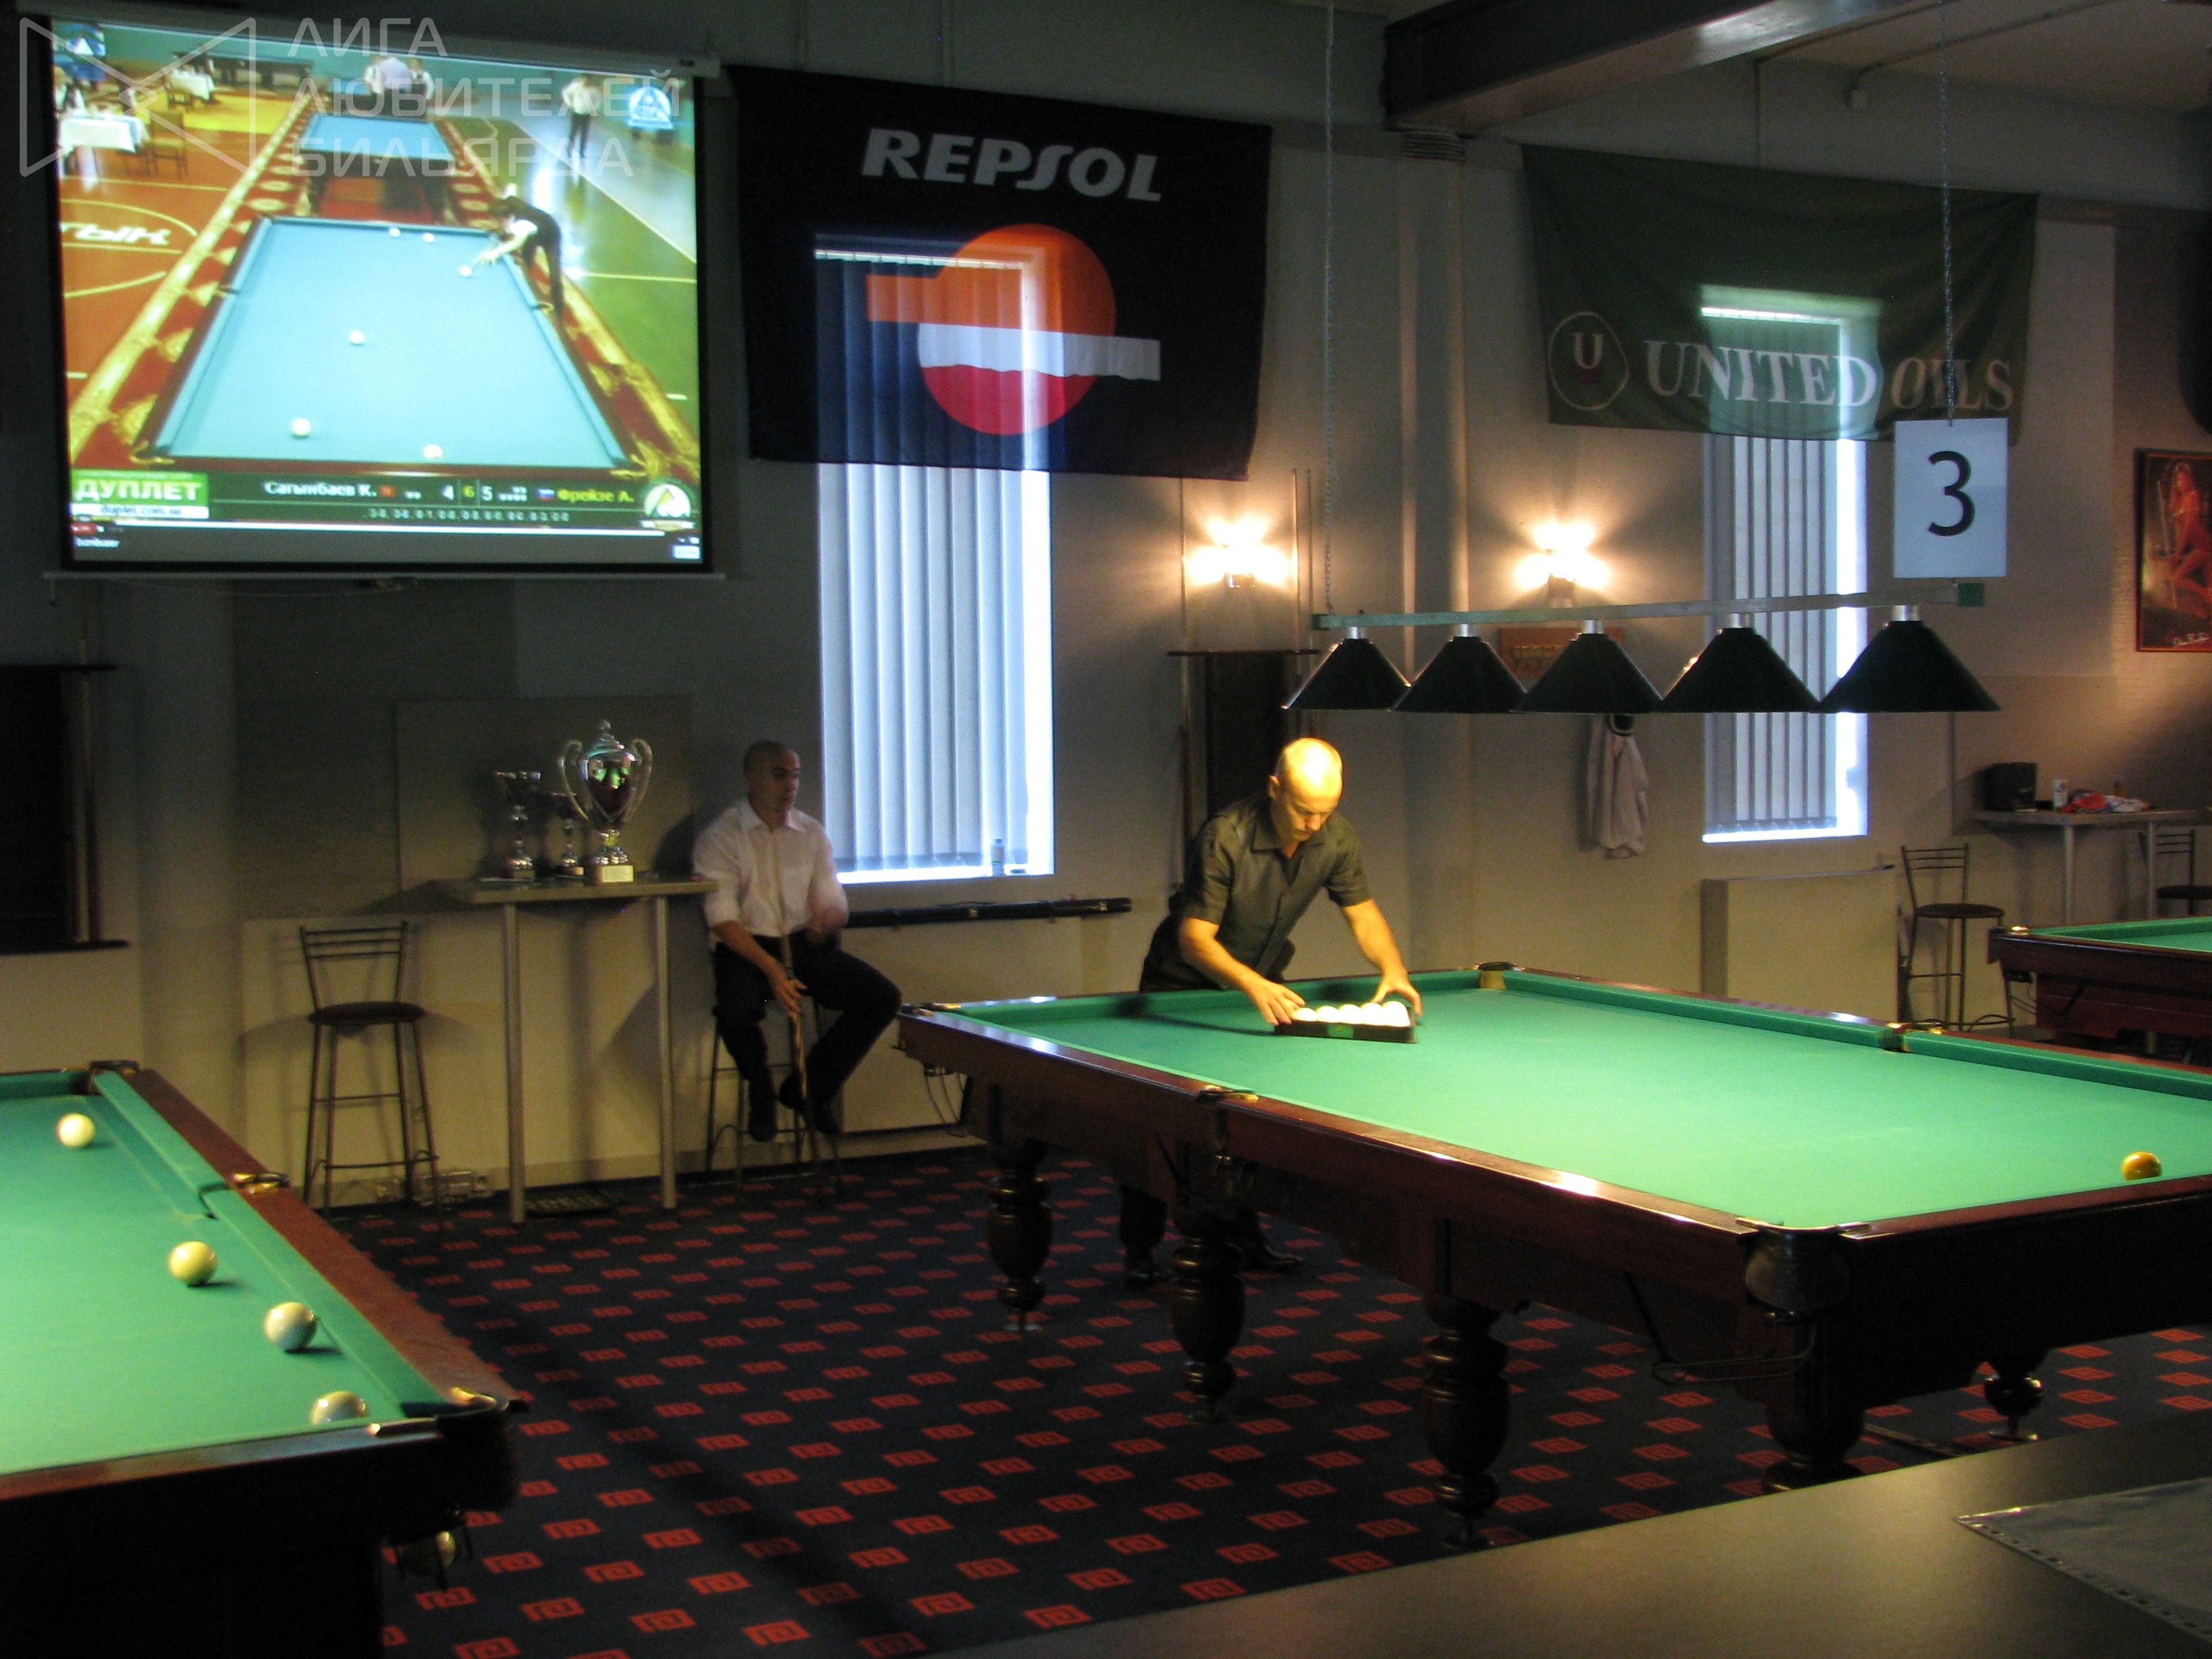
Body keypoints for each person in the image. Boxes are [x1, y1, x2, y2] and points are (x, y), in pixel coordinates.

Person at [1123, 737, 1422, 1285]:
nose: (1314, 824)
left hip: (1258, 980)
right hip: (1180, 987)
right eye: (1304, 811)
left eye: (1325, 811)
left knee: (1250, 1111)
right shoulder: (1225, 836)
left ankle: (1244, 1235)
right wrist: (1252, 984)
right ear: (1275, 789)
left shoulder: (1336, 836)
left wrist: (1393, 967)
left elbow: (1362, 914)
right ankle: (1139, 1248)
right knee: (1161, 1117)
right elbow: (1194, 939)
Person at [694, 741, 901, 1141]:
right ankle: (761, 1093)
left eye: (795, 775)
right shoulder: (721, 836)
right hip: (746, 948)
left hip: (803, 943)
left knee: (881, 997)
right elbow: (721, 919)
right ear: (751, 778)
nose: (790, 785)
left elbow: (830, 896)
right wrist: (772, 969)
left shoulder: (811, 832)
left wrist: (830, 917)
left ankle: (809, 1090)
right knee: (735, 1012)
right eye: (779, 775)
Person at [476, 196, 566, 317]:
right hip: (532, 237)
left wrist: (495, 253)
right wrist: (497, 239)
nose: (497, 224)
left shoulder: (522, 225)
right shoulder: (510, 203)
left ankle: (559, 314)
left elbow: (516, 243)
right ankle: (524, 299)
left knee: (555, 277)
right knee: (525, 266)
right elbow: (510, 195)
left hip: (551, 235)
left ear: (509, 217)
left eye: (499, 221)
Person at [560, 73, 600, 165]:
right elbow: (565, 92)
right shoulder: (576, 86)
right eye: (585, 79)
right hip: (576, 113)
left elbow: (598, 101)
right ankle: (569, 149)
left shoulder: (594, 91)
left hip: (587, 115)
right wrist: (570, 103)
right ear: (582, 79)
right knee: (573, 132)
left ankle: (582, 152)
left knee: (584, 134)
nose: (586, 81)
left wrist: (593, 109)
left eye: (588, 80)